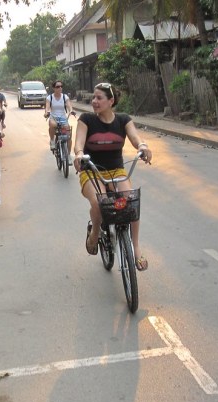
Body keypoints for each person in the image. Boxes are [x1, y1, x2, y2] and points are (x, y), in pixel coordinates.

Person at [72, 82, 153, 271]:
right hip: (92, 170)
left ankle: (136, 248)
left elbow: (135, 138)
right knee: (100, 204)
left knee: (131, 203)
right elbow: (79, 143)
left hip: (117, 171)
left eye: (99, 98)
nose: (94, 101)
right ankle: (94, 235)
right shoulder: (86, 119)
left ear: (111, 101)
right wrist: (78, 154)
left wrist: (142, 147)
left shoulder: (123, 120)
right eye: (93, 97)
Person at [44, 80, 75, 152]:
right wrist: (47, 113)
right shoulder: (49, 98)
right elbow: (47, 107)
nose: (60, 88)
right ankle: (52, 140)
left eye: (61, 86)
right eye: (58, 87)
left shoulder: (65, 97)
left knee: (68, 136)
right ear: (54, 88)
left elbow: (69, 105)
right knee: (52, 125)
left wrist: (71, 111)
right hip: (53, 117)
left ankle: (68, 155)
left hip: (63, 118)